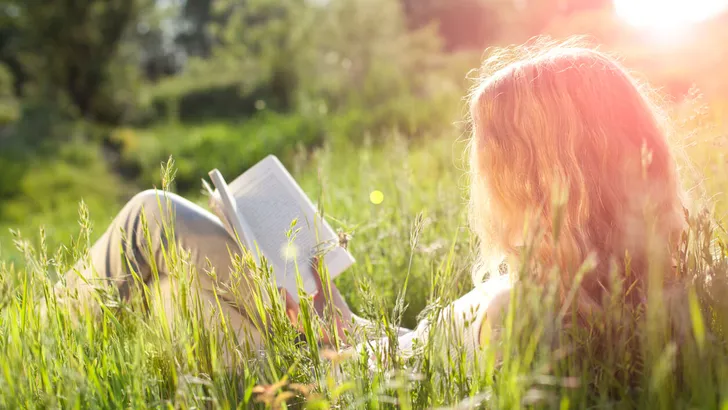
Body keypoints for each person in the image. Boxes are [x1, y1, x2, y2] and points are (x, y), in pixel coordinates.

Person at [56, 40, 688, 361]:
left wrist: (317, 332)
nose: (477, 165)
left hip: (300, 389)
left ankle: (27, 347)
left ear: (536, 171)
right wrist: (332, 312)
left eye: (489, 148)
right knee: (171, 281)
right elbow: (408, 360)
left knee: (154, 217)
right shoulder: (608, 291)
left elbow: (356, 387)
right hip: (342, 360)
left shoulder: (517, 309)